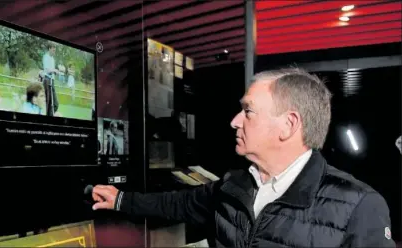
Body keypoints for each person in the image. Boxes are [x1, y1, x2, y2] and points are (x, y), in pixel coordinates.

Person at [91, 68, 396, 247]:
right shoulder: (233, 186)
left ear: (288, 125)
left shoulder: (360, 207)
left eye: (248, 111)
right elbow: (179, 203)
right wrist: (120, 200)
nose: (235, 121)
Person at [41, 44, 59, 116]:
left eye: (55, 50)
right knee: (48, 102)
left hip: (52, 81)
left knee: (55, 104)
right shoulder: (46, 57)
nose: (54, 51)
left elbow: (52, 71)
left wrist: (56, 72)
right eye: (53, 50)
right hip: (47, 80)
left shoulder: (53, 59)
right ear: (49, 49)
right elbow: (47, 70)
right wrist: (55, 70)